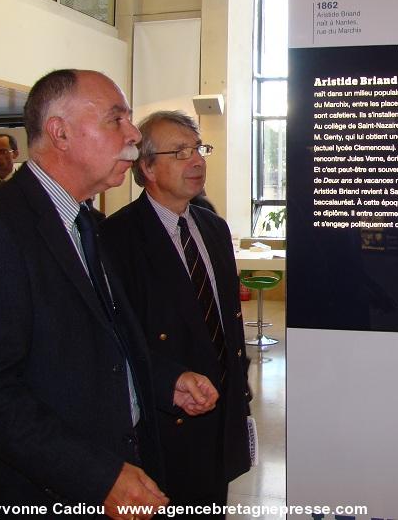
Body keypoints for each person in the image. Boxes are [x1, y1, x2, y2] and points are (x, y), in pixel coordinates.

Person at [0, 70, 220, 519]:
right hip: (36, 491)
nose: (134, 134)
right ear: (59, 133)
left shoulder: (89, 226)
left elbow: (103, 346)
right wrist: (97, 475)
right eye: (116, 119)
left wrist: (164, 381)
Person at [101, 111, 252, 507]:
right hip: (166, 422)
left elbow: (228, 325)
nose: (198, 161)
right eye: (180, 152)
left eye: (199, 149)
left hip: (220, 413)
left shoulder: (212, 228)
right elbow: (117, 340)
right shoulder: (117, 239)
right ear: (147, 166)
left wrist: (241, 394)